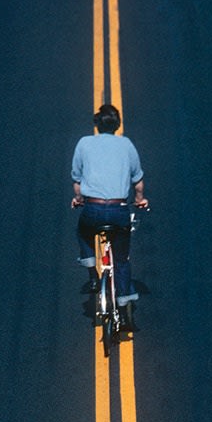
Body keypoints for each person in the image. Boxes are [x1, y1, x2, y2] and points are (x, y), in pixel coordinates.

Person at [71, 104, 148, 309]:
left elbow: (77, 181)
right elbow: (137, 182)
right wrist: (140, 199)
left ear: (97, 124)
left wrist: (78, 199)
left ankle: (91, 266)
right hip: (119, 210)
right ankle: (123, 299)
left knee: (82, 232)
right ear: (117, 124)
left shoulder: (84, 143)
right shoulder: (127, 145)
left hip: (93, 210)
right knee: (121, 258)